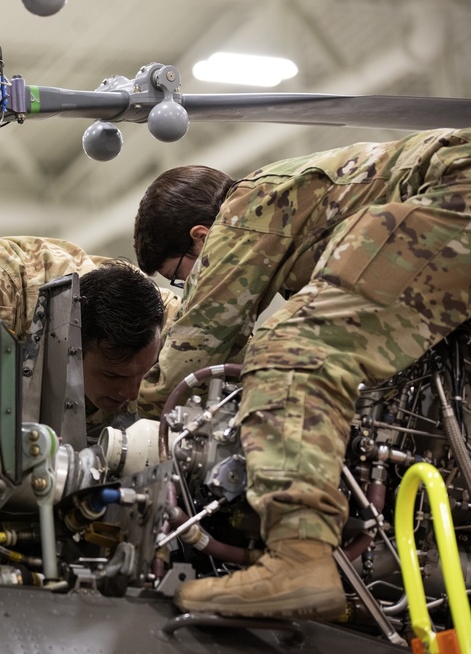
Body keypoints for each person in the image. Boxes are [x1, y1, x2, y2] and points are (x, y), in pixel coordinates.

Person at [132, 127, 471, 619]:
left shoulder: (246, 210)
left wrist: (123, 401)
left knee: (292, 345)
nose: (189, 287)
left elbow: (191, 358)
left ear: (200, 238)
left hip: (457, 188)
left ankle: (297, 558)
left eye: (182, 275)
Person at [0, 236, 180, 426]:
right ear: (71, 346)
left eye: (144, 373)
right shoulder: (4, 288)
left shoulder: (175, 328)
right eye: (112, 375)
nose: (131, 391)